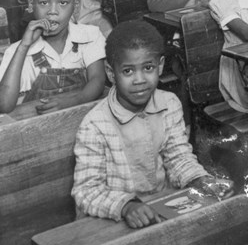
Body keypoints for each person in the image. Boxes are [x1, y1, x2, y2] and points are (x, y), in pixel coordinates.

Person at [72, 21, 233, 227]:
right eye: (128, 71)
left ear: (161, 66)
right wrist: (126, 206)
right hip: (111, 219)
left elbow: (178, 158)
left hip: (159, 209)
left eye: (148, 68)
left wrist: (200, 180)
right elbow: (86, 191)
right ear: (111, 73)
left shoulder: (169, 104)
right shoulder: (94, 125)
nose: (139, 79)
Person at [0, 0, 106, 113]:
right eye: (44, 3)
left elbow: (97, 80)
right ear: (31, 4)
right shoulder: (16, 51)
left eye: (63, 3)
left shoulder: (90, 36)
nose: (52, 12)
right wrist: (24, 46)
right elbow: (3, 105)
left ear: (76, 5)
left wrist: (72, 102)